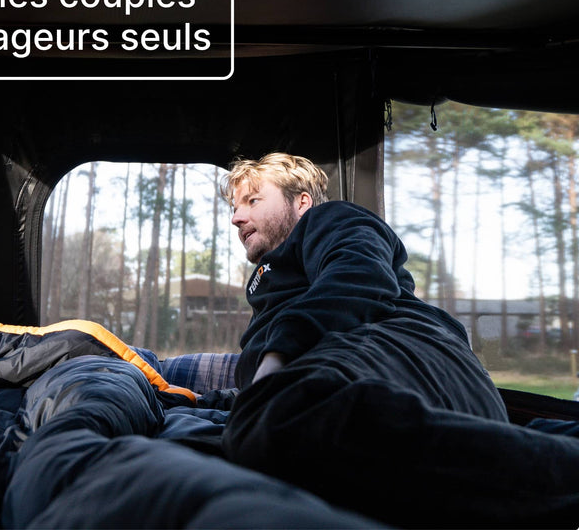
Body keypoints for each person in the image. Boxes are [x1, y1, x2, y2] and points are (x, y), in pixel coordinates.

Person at [219, 152, 526, 527]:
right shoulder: (267, 282)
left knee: (270, 425)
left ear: (301, 201)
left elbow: (359, 273)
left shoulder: (329, 219)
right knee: (262, 432)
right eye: (235, 207)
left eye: (252, 201)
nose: (237, 217)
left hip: (402, 345)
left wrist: (276, 359)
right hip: (339, 365)